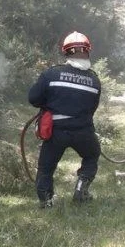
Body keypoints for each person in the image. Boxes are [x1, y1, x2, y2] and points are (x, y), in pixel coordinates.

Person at [28, 31, 102, 208]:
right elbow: (92, 108)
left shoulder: (51, 74)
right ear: (87, 52)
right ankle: (81, 188)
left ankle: (46, 202)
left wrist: (49, 103)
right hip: (83, 131)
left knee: (46, 167)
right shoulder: (94, 80)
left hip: (56, 131)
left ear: (66, 52)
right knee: (91, 155)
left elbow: (33, 99)